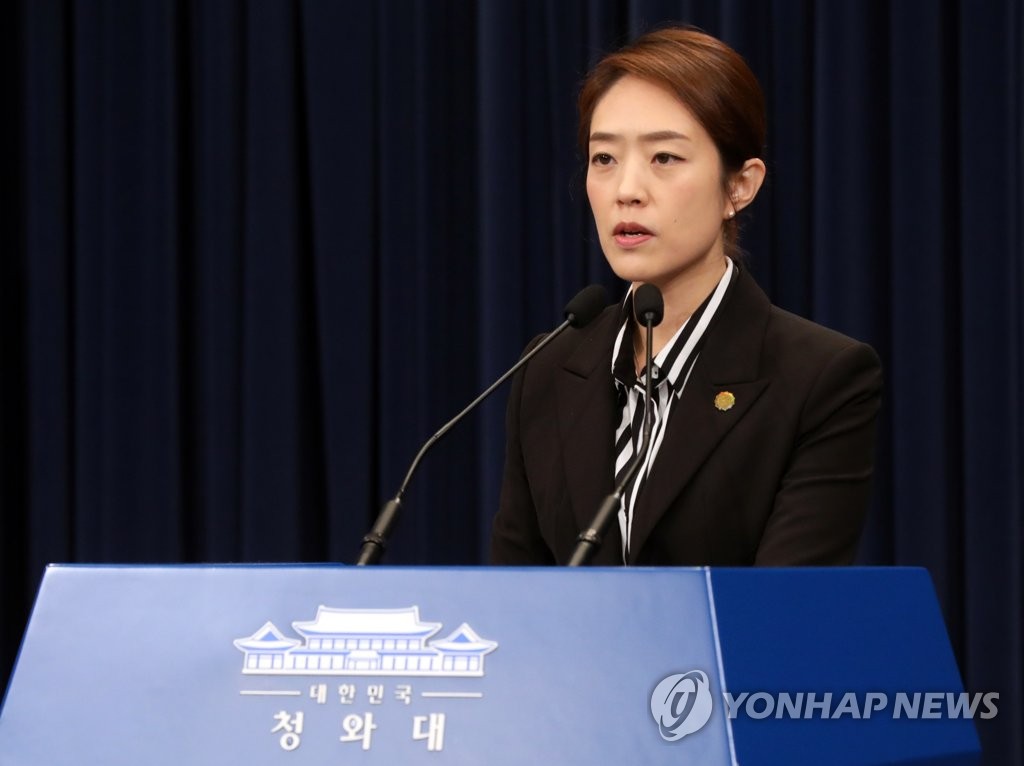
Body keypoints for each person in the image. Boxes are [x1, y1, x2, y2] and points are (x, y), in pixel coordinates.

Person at [490, 26, 883, 566]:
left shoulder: (820, 379)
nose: (627, 190)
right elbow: (512, 594)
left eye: (665, 158)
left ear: (739, 186)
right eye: (604, 158)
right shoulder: (547, 369)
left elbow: (786, 603)